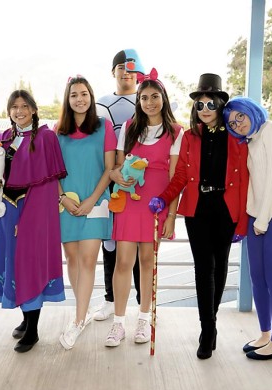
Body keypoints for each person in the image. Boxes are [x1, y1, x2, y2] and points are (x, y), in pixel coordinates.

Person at [149, 73, 249, 360]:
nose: (205, 110)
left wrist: (242, 221)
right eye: (200, 105)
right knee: (203, 269)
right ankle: (208, 329)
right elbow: (180, 175)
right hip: (198, 210)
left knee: (220, 268)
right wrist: (163, 197)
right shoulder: (190, 137)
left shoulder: (236, 138)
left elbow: (244, 181)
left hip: (226, 209)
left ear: (220, 105)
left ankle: (211, 324)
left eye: (210, 104)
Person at [105, 68, 182, 347]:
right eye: (144, 97)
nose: (149, 102)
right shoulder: (128, 128)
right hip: (130, 201)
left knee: (148, 262)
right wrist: (117, 175)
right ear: (138, 101)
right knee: (124, 262)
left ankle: (143, 318)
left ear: (163, 97)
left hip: (156, 204)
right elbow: (116, 167)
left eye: (154, 96)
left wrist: (171, 215)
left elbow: (177, 178)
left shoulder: (176, 132)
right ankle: (118, 323)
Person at [224, 96, 272, 360]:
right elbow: (252, 185)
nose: (237, 123)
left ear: (251, 111)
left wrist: (262, 219)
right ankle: (265, 334)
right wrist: (248, 218)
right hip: (259, 216)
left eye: (240, 116)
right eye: (232, 122)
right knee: (256, 277)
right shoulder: (251, 141)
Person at [0, 90, 67, 353]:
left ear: (33, 109)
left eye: (24, 106)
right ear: (8, 111)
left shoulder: (46, 138)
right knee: (15, 265)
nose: (19, 111)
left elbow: (46, 186)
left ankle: (32, 330)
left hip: (35, 213)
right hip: (8, 213)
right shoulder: (4, 139)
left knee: (30, 265)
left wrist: (30, 220)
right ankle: (25, 318)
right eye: (14, 107)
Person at [55, 76, 116, 349]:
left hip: (96, 202)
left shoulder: (104, 128)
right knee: (72, 258)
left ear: (91, 97)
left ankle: (78, 321)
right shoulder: (58, 131)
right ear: (67, 101)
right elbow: (53, 171)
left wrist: (92, 199)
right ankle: (83, 308)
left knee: (89, 260)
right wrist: (62, 197)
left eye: (84, 94)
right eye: (73, 95)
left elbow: (109, 169)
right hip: (66, 203)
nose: (79, 99)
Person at [94, 49, 145, 321]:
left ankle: (140, 304)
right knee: (110, 240)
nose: (126, 73)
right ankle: (110, 298)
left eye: (131, 68)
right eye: (120, 68)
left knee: (137, 241)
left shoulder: (148, 98)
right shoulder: (100, 103)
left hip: (138, 182)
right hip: (108, 179)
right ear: (112, 71)